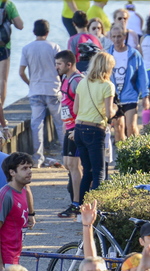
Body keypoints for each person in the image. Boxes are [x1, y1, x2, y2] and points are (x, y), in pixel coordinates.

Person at [71, 50, 114, 204]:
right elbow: (109, 113)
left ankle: (81, 208)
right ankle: (96, 210)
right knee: (99, 173)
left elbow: (75, 110)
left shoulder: (83, 82)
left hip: (79, 130)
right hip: (95, 130)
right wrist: (115, 108)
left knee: (87, 172)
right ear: (108, 68)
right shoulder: (107, 86)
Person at [19, 20, 63, 168]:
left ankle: (38, 159)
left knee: (36, 125)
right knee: (60, 123)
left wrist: (30, 83)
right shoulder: (54, 47)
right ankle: (66, 155)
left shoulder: (27, 48)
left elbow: (21, 72)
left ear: (34, 32)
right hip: (53, 90)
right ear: (48, 32)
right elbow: (60, 67)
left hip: (36, 90)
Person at [106, 23, 147, 141]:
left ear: (124, 37)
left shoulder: (134, 54)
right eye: (113, 37)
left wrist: (145, 95)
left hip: (130, 95)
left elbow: (142, 75)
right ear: (110, 37)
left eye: (119, 36)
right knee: (118, 127)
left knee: (131, 126)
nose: (116, 39)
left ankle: (137, 152)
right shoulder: (107, 54)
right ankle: (121, 156)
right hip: (114, 97)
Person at [54, 49, 83, 218]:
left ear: (69, 64)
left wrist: (77, 128)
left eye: (59, 64)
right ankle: (76, 199)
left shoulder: (76, 81)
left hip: (76, 128)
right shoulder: (65, 78)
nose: (56, 67)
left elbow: (83, 105)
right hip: (69, 127)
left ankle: (77, 204)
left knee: (74, 166)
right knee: (67, 164)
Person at [0, 152, 33, 268]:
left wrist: (31, 214)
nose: (29, 171)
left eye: (30, 167)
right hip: (6, 260)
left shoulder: (22, 190)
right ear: (12, 172)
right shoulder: (6, 196)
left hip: (15, 256)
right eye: (24, 168)